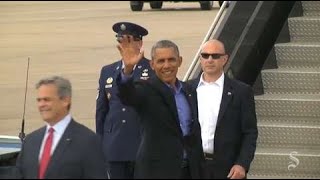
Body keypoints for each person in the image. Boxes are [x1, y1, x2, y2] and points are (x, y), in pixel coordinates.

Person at [117, 39, 204, 179]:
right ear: (152, 64)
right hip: (157, 171)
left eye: (171, 60)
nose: (167, 65)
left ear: (180, 61)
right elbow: (128, 96)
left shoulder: (188, 90)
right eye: (161, 61)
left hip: (189, 170)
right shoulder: (145, 89)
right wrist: (127, 70)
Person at [188, 39, 258, 179]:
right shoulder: (187, 89)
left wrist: (242, 164)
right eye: (205, 55)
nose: (210, 60)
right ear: (200, 59)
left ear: (225, 59)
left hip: (228, 169)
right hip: (193, 168)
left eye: (215, 56)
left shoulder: (241, 91)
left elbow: (250, 132)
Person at [14, 76, 106, 179]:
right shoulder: (30, 141)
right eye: (39, 100)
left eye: (46, 99)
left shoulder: (88, 141)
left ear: (65, 100)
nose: (41, 105)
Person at [95, 22, 154, 179]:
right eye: (121, 40)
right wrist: (100, 144)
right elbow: (101, 112)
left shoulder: (152, 68)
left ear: (139, 42)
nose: (124, 45)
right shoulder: (107, 71)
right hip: (114, 146)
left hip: (141, 144)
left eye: (129, 40)